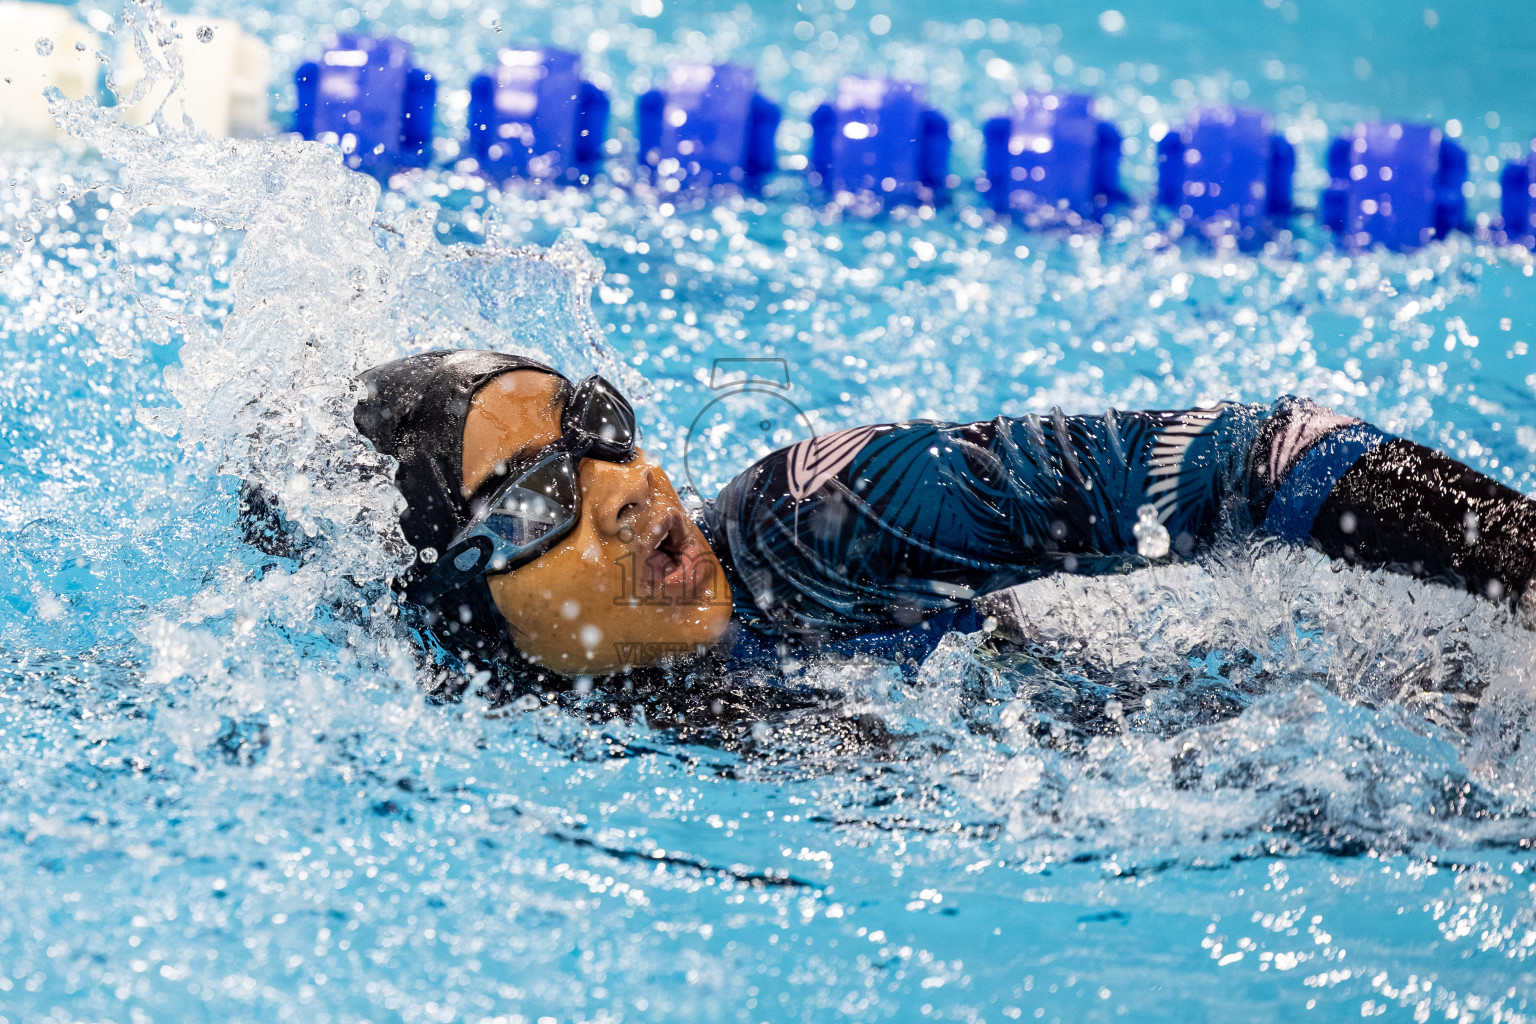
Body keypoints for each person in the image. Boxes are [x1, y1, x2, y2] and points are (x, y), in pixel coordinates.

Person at [337, 347, 1536, 699]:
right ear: (460, 604)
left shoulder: (827, 522)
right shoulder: (485, 734)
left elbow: (1272, 456)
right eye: (545, 494)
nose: (629, 482)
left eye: (599, 423)